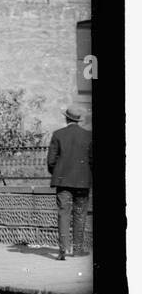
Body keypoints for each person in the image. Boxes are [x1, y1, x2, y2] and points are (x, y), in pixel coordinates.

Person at [47, 105, 92, 261]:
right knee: (80, 214)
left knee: (63, 214)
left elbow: (51, 161)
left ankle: (63, 250)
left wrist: (60, 174)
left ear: (66, 118)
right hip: (82, 182)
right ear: (78, 120)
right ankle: (78, 250)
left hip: (63, 182)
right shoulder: (88, 136)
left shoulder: (58, 134)